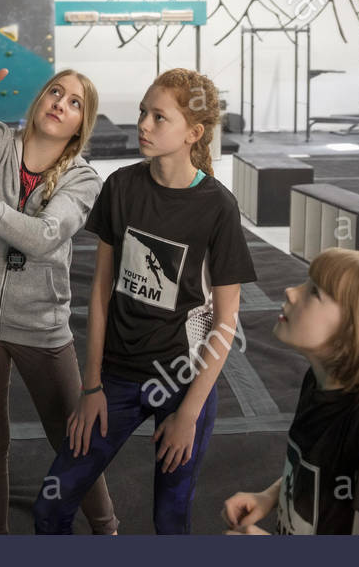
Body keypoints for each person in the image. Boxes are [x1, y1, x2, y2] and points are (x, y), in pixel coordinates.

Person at [34, 69, 256, 534]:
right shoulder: (122, 187)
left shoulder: (218, 207)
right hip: (116, 376)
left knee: (170, 519)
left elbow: (226, 322)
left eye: (159, 117)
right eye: (142, 112)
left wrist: (189, 414)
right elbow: (99, 292)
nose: (143, 125)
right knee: (51, 505)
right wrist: (91, 386)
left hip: (182, 381)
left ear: (193, 134)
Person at [0, 40, 117, 534]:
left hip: (41, 328)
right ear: (39, 103)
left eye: (75, 102)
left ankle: (107, 528)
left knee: (72, 442)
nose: (61, 102)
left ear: (81, 124)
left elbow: (41, 238)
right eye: (56, 92)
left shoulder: (83, 179)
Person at [224, 248, 359, 535]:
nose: (291, 292)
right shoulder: (317, 382)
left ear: (355, 331)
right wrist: (269, 496)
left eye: (314, 292)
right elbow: (321, 473)